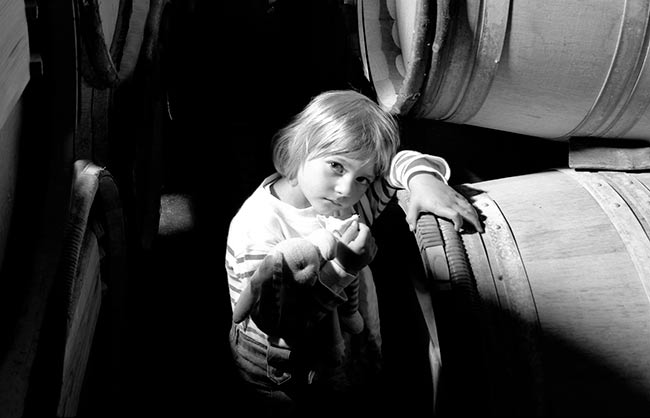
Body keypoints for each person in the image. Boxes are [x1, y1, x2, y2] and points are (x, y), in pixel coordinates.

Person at [224, 90, 482, 416]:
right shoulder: (258, 230)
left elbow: (395, 164)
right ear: (298, 148)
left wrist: (422, 180)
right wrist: (344, 266)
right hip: (283, 367)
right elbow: (282, 325)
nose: (347, 188)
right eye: (336, 165)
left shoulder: (345, 203)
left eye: (363, 178)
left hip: (346, 339)